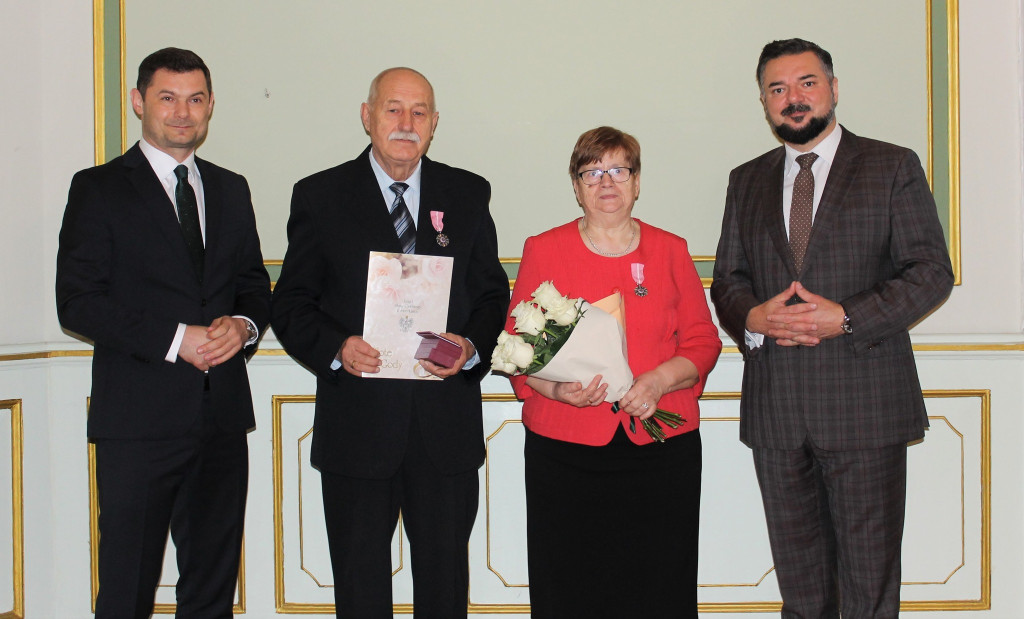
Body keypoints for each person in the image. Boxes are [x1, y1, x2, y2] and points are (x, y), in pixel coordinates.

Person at [710, 38, 955, 617]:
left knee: (869, 591)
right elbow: (728, 280)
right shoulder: (745, 180)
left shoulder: (891, 166)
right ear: (765, 102)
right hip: (777, 413)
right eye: (777, 89)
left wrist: (846, 317)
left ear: (833, 88)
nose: (792, 98)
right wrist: (752, 316)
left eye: (806, 83)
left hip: (865, 408)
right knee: (802, 594)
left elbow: (930, 272)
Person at [270, 67, 508, 617]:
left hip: (443, 430)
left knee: (445, 589)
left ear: (435, 123)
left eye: (419, 112)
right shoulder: (319, 195)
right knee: (360, 589)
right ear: (367, 115)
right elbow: (291, 302)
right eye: (393, 109)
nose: (406, 123)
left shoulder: (468, 193)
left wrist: (470, 347)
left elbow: (493, 295)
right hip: (358, 427)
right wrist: (336, 347)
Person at [56, 48, 271, 617]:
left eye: (195, 99)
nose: (183, 112)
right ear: (138, 102)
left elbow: (254, 286)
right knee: (127, 587)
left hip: (221, 419)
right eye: (167, 98)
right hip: (139, 423)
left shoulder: (230, 188)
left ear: (210, 108)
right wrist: (179, 338)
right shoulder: (98, 188)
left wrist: (243, 327)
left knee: (211, 587)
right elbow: (78, 302)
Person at [505, 126, 721, 618]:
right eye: (592, 172)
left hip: (662, 450)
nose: (607, 182)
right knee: (570, 586)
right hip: (565, 450)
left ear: (637, 182)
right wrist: (557, 389)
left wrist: (660, 381)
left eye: (619, 169)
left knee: (659, 584)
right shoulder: (544, 249)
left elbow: (703, 342)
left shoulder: (670, 249)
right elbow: (517, 351)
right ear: (576, 186)